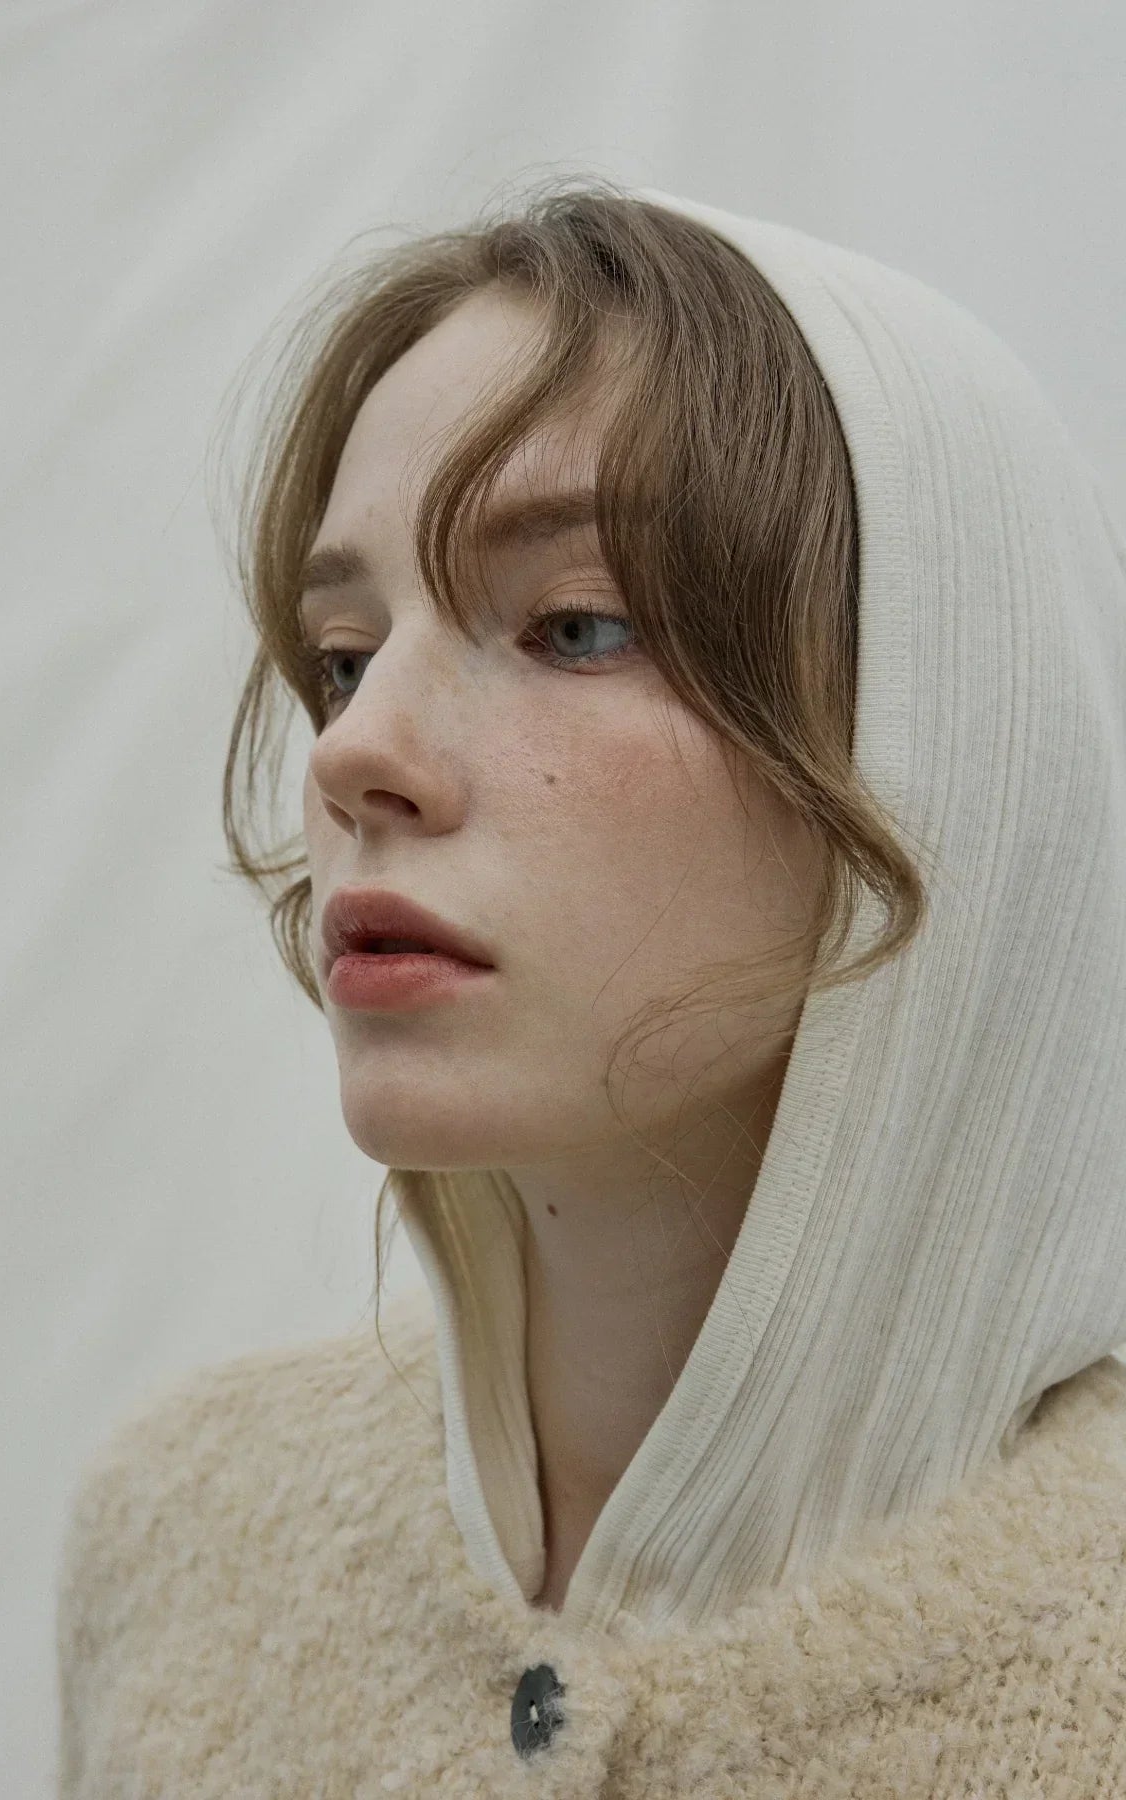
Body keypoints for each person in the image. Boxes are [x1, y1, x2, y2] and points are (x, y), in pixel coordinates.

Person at [55, 176, 1126, 1796]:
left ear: (947, 739)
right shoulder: (182, 1539)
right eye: (345, 654)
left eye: (573, 626)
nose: (353, 749)